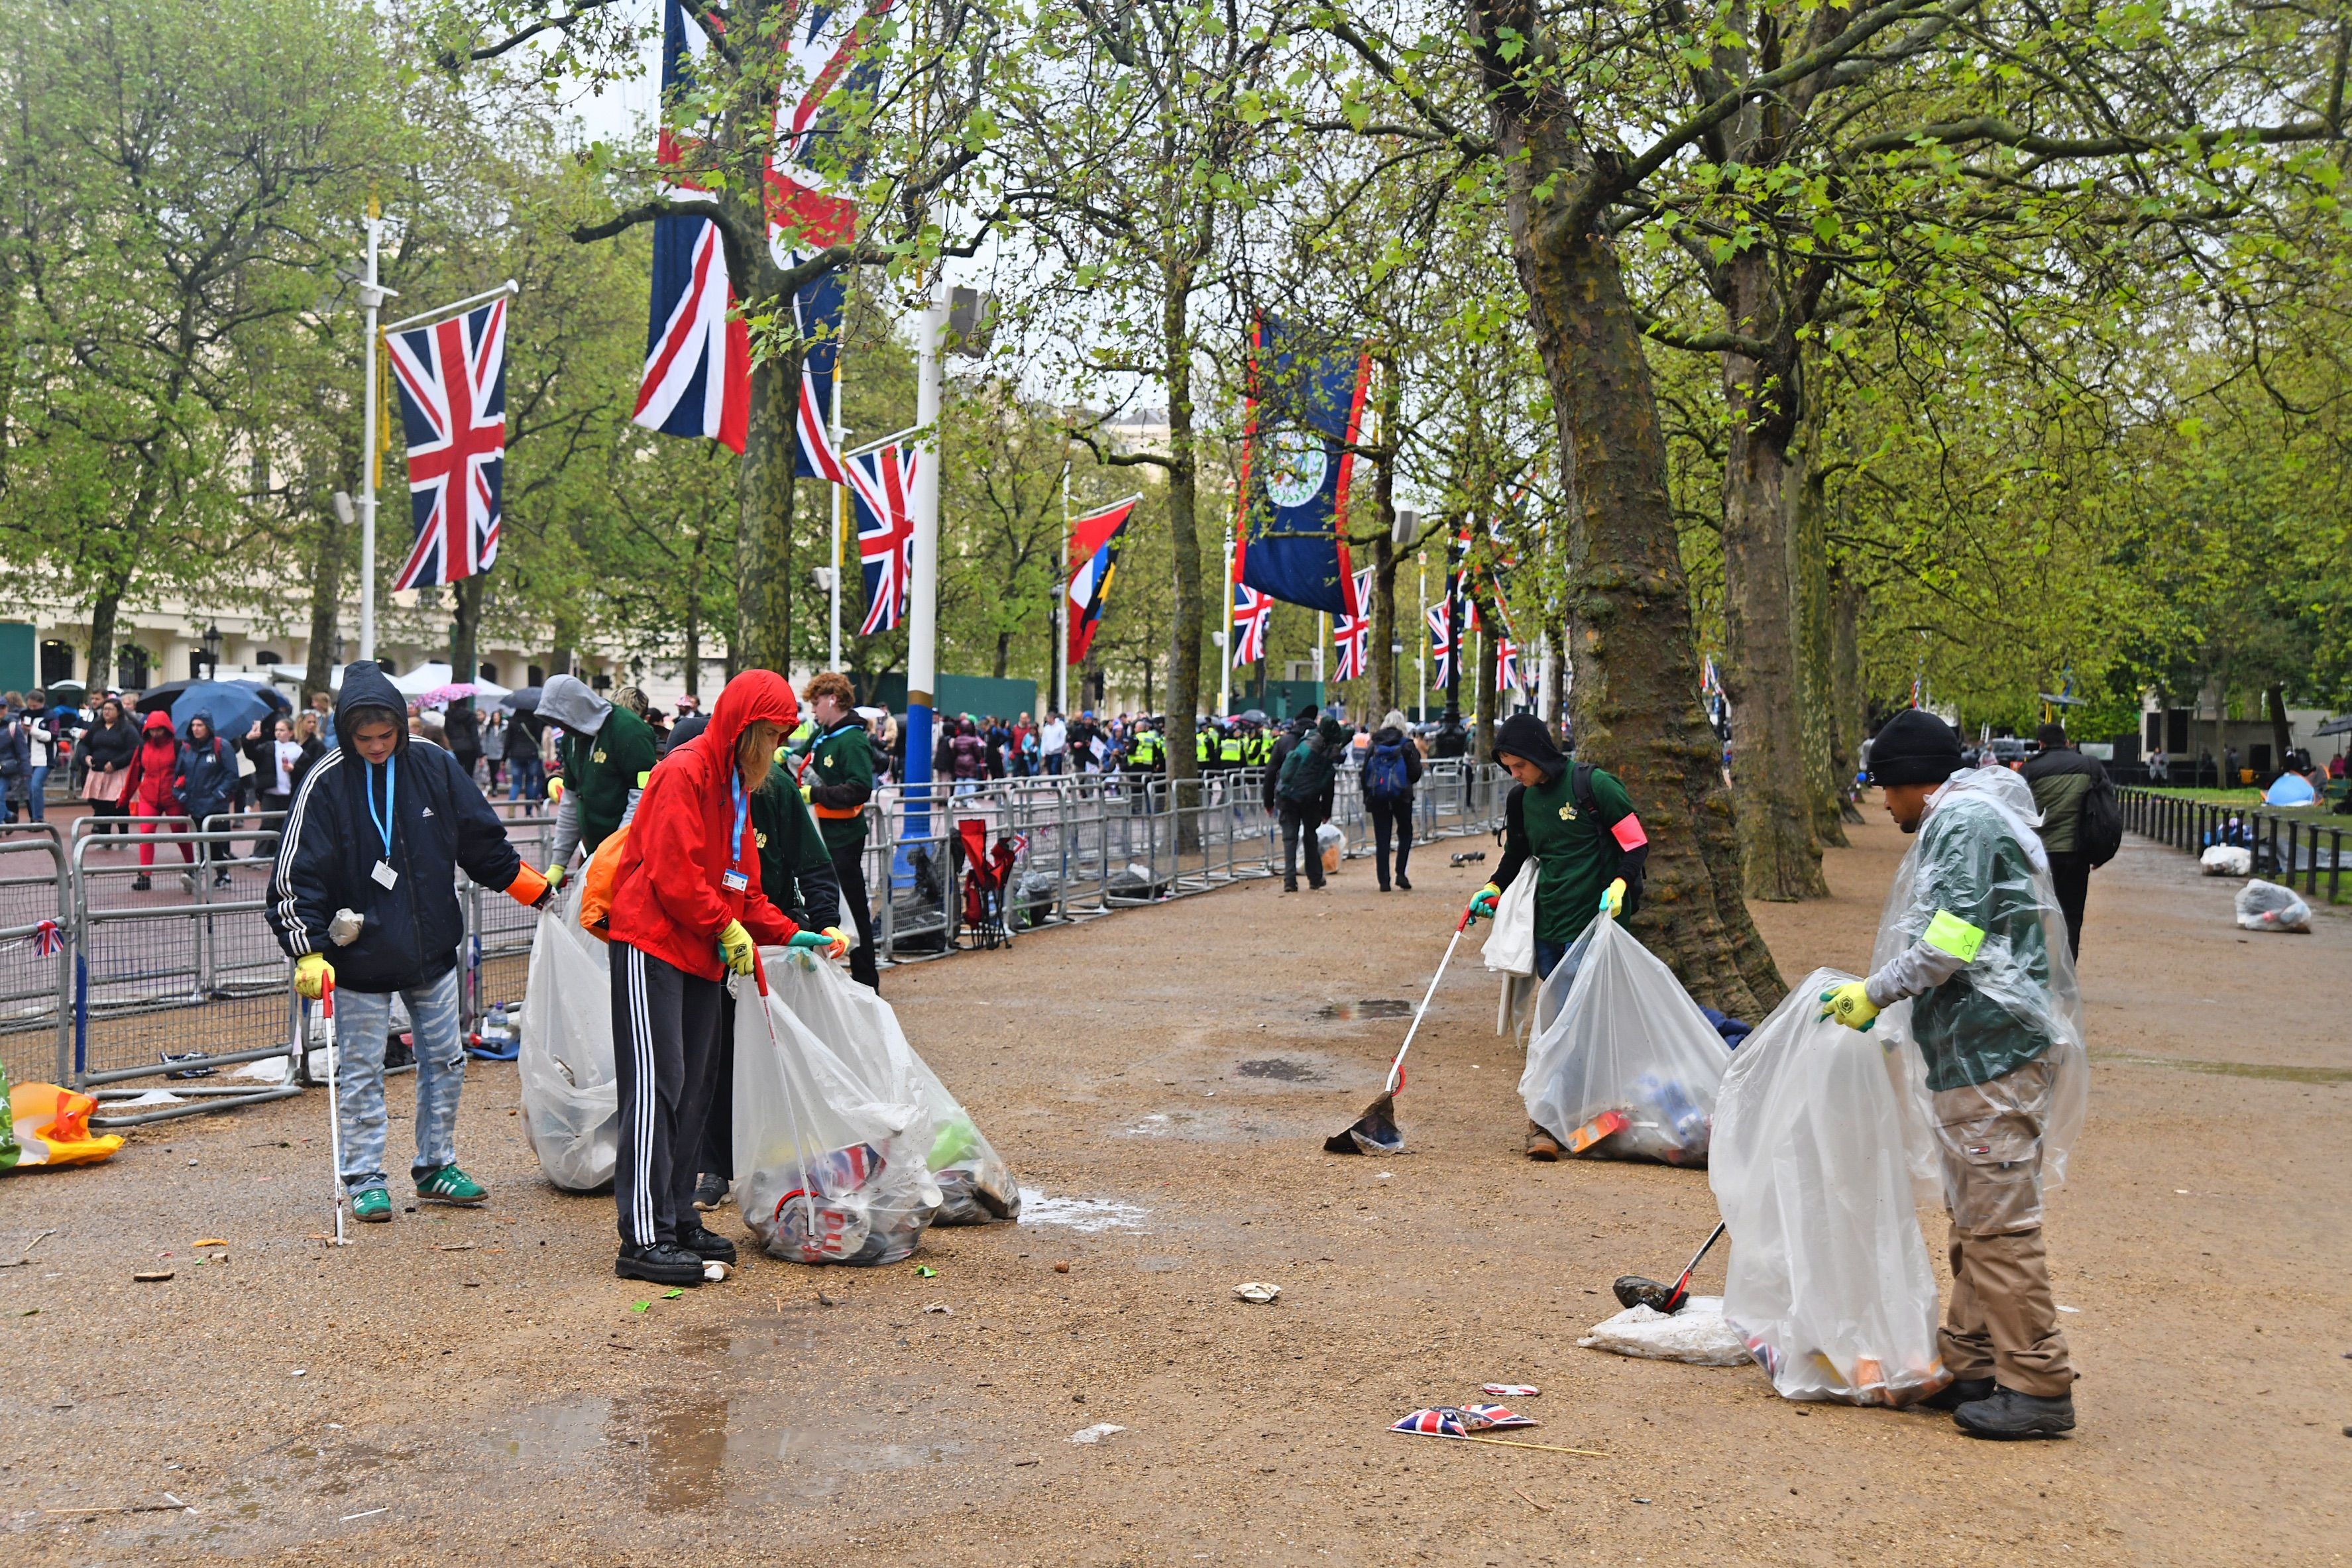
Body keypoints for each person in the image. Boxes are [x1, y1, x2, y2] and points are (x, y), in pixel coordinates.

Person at [1818, 707, 2085, 1440]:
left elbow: (1952, 940)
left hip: (1994, 1056)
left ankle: (2038, 1381)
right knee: (1976, 1219)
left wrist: (1875, 991)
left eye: (1884, 785)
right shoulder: (1972, 817)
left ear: (1911, 780)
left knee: (1998, 1225)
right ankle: (1969, 1359)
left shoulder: (1961, 824)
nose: (1882, 801)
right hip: (1984, 1052)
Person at [267, 662, 553, 1223]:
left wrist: (531, 887)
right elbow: (296, 873)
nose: (376, 747)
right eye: (364, 738)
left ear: (400, 725)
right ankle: (365, 1176)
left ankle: (436, 1164)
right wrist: (306, 948)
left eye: (386, 735)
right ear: (347, 735)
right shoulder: (325, 781)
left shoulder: (433, 764)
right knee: (361, 1069)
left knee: (446, 1060)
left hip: (432, 950)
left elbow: (478, 836)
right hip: (356, 957)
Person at [603, 669, 817, 1287]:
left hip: (699, 948)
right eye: (773, 736)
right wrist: (726, 926)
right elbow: (673, 872)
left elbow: (740, 884)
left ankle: (674, 1217)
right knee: (656, 1087)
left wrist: (784, 929)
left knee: (695, 1087)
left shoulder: (735, 784)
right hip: (653, 943)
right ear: (748, 729)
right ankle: (643, 1236)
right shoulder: (686, 770)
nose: (777, 749)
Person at [1466, 713, 1649, 1160]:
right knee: (1560, 1021)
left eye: (1518, 766)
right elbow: (1517, 854)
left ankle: (1563, 1119)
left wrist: (1622, 884)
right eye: (1509, 768)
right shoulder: (1520, 799)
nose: (1515, 776)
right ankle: (1556, 1119)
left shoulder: (1593, 786)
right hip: (1547, 926)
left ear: (1537, 755)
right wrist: (1493, 887)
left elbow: (1635, 841)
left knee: (1577, 1025)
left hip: (1596, 923)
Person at [695, 728, 852, 1211]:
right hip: (711, 940)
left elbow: (813, 864)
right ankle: (715, 1166)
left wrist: (827, 924)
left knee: (782, 1053)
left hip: (772, 940)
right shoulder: (702, 786)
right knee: (714, 1059)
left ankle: (787, 1155)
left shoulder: (778, 789)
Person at [789, 674, 880, 990]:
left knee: (853, 905)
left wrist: (814, 796)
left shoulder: (852, 739)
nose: (813, 709)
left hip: (842, 836)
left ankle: (867, 978)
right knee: (830, 904)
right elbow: (803, 757)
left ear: (832, 699)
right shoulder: (824, 734)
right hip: (824, 833)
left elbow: (859, 788)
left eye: (816, 702)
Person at [539, 673, 659, 883]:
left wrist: (614, 855)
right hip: (593, 850)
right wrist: (558, 864)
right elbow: (570, 801)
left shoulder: (630, 730)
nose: (562, 727)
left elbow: (641, 796)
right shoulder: (571, 738)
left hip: (629, 858)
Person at [2021, 722, 2109, 958]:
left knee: (2036, 914)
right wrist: (2102, 852)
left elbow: (2017, 811)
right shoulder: (2090, 766)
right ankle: (2066, 975)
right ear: (2067, 741)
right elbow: (2107, 810)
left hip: (2039, 857)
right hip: (2076, 853)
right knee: (2071, 916)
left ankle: (2038, 971)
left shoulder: (2029, 771)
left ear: (2041, 743)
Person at [1274, 716, 1344, 892]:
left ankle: (1289, 879)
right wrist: (1326, 811)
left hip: (1287, 796)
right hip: (1310, 800)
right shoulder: (1327, 758)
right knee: (1310, 838)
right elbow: (1328, 788)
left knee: (1289, 838)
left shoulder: (1305, 744)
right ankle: (1315, 877)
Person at [124, 711, 190, 890]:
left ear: (166, 729)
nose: (155, 734)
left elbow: (187, 770)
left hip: (173, 796)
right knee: (146, 834)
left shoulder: (179, 746)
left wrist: (180, 783)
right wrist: (124, 798)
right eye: (152, 730)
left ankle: (191, 866)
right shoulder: (143, 747)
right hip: (149, 796)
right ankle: (145, 876)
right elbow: (134, 774)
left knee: (180, 833)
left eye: (159, 730)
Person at [174, 712, 239, 889]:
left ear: (208, 728)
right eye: (193, 725)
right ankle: (203, 873)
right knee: (201, 842)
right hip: (195, 804)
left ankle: (219, 874)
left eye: (200, 725)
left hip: (216, 805)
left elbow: (232, 775)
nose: (196, 729)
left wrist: (219, 794)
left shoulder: (222, 747)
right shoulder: (186, 749)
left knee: (216, 842)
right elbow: (178, 775)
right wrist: (180, 794)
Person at [1362, 708, 1424, 892]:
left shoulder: (1374, 745)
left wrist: (1369, 794)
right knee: (1405, 833)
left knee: (1382, 838)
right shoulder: (1407, 745)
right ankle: (1400, 873)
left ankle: (1384, 880)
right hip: (1402, 796)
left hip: (1378, 797)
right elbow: (1415, 771)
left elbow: (1365, 772)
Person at [81, 697, 138, 838]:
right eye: (104, 709)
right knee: (100, 806)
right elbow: (84, 744)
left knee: (119, 805)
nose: (106, 712)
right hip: (98, 773)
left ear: (118, 712)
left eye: (110, 709)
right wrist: (86, 757)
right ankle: (104, 837)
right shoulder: (96, 727)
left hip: (117, 773)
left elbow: (134, 749)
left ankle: (123, 835)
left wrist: (116, 763)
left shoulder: (127, 729)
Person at [443, 698, 482, 788]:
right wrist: (480, 753)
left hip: (454, 746)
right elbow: (474, 735)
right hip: (469, 747)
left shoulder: (448, 715)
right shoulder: (471, 715)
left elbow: (447, 732)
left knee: (455, 772)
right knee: (469, 774)